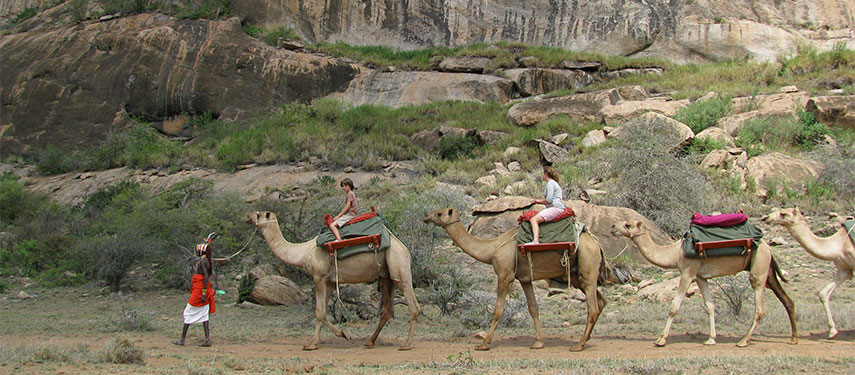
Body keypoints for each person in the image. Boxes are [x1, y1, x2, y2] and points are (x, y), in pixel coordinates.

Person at [173, 233, 218, 347]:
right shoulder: (206, 260)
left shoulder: (203, 261)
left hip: (200, 290)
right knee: (204, 314)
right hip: (202, 288)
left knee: (188, 312)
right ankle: (207, 339)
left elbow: (205, 277)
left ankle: (182, 340)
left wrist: (203, 293)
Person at [527, 166, 565, 245]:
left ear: (546, 174)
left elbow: (548, 200)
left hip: (556, 207)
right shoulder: (553, 183)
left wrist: (537, 201)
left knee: (533, 220)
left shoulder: (550, 184)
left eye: (543, 173)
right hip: (557, 207)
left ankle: (535, 241)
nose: (542, 175)